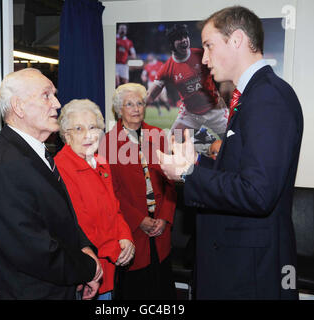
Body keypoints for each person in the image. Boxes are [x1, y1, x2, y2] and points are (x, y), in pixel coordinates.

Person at [157, 6, 303, 299]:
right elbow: (241, 171)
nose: (205, 58)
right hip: (236, 263)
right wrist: (198, 163)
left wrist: (189, 173)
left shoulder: (267, 97)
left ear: (237, 40)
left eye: (209, 46)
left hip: (248, 273)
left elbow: (258, 193)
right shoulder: (254, 95)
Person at [0, 68, 102, 299]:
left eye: (54, 94)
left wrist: (84, 249)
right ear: (18, 106)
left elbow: (61, 218)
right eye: (46, 95)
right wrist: (88, 269)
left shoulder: (34, 153)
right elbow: (33, 250)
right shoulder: (5, 165)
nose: (56, 103)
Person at [100, 83, 177, 300]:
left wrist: (164, 218)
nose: (136, 108)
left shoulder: (159, 136)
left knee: (162, 289)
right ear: (119, 110)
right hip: (130, 230)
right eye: (129, 104)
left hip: (160, 229)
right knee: (136, 291)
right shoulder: (107, 142)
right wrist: (138, 219)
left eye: (140, 103)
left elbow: (170, 183)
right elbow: (111, 193)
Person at [54, 99, 135, 300]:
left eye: (93, 127)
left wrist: (126, 236)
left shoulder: (101, 162)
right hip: (87, 270)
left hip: (109, 266)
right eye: (79, 128)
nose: (88, 135)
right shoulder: (62, 168)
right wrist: (117, 249)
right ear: (66, 135)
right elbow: (80, 225)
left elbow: (115, 209)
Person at [146, 23, 228, 155]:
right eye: (179, 38)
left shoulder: (202, 55)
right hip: (191, 114)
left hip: (215, 109)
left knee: (233, 143)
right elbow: (151, 95)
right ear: (172, 44)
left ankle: (205, 142)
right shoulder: (167, 68)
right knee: (171, 145)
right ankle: (202, 140)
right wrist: (136, 106)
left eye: (185, 36)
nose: (184, 40)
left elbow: (224, 69)